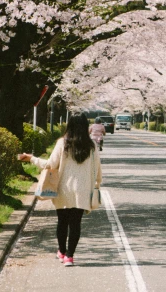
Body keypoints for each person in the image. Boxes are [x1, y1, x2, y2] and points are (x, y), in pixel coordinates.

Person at [19, 114, 102, 267]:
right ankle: (70, 256)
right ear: (85, 127)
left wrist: (31, 158)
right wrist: (97, 183)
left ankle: (62, 251)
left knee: (62, 222)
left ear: (69, 125)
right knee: (75, 224)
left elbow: (50, 164)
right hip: (82, 190)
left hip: (63, 189)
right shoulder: (91, 146)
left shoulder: (62, 143)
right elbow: (97, 169)